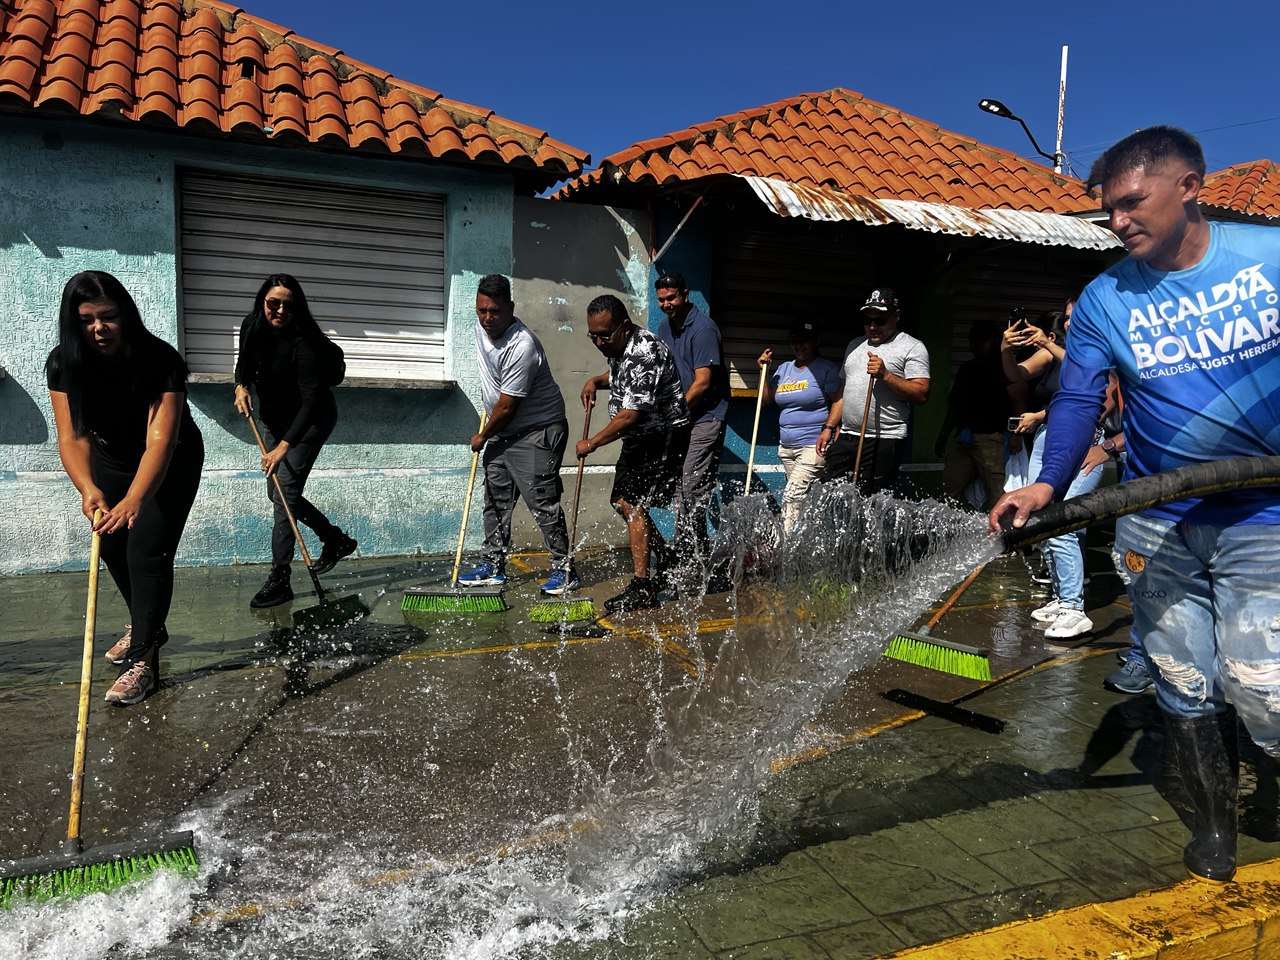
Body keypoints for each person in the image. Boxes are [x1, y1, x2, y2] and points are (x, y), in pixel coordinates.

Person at [991, 126, 1280, 883]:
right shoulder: (1103, 299)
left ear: (1189, 186)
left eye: (1130, 204)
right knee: (1183, 679)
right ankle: (1214, 829)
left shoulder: (1270, 259)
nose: (1117, 223)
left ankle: (1273, 777)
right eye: (1108, 210)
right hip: (1158, 519)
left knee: (1263, 686)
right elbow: (1080, 397)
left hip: (1265, 516)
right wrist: (1047, 483)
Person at [46, 271, 204, 705]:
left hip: (170, 459)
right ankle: (147, 621)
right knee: (113, 545)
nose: (99, 328)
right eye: (86, 320)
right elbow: (72, 437)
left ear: (126, 315)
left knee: (146, 551)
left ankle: (144, 661)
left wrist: (136, 499)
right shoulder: (64, 362)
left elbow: (161, 439)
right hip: (110, 458)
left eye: (109, 317)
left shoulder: (159, 359)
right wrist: (87, 488)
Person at [233, 274, 356, 609]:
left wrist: (283, 447)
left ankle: (280, 577)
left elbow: (313, 400)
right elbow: (243, 363)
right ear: (263, 302)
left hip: (310, 422)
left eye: (288, 304)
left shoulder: (305, 343)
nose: (280, 310)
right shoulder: (252, 325)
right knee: (278, 493)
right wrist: (240, 386)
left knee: (284, 493)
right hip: (274, 420)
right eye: (274, 303)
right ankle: (334, 538)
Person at [457, 274, 575, 595]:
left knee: (542, 500)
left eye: (494, 311)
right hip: (502, 427)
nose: (487, 318)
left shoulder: (522, 345)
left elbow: (508, 405)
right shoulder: (480, 331)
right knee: (494, 499)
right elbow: (494, 388)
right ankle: (493, 566)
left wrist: (482, 436)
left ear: (511, 307)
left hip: (537, 430)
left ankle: (565, 570)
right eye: (481, 310)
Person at [579, 295, 690, 613]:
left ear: (624, 327)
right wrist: (596, 381)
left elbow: (631, 413)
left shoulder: (645, 351)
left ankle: (643, 587)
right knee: (621, 501)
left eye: (604, 334)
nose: (599, 342)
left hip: (662, 434)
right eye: (593, 335)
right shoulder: (618, 346)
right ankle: (666, 557)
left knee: (632, 503)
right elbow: (620, 378)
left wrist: (593, 442)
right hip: (640, 436)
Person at [1004, 304, 1108, 641]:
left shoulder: (1100, 350)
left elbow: (1092, 394)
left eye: (1078, 315)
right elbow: (1016, 374)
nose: (1070, 321)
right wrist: (1006, 348)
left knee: (1062, 521)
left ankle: (1074, 609)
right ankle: (1061, 597)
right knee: (1043, 519)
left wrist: (1048, 345)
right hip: (1050, 439)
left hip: (1084, 439)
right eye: (1066, 317)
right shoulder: (1053, 353)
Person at [818, 288, 930, 493]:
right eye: (867, 321)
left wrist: (886, 375)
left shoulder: (913, 347)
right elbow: (844, 390)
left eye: (880, 321)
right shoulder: (855, 345)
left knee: (871, 498)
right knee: (829, 491)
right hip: (848, 435)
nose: (872, 326)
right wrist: (829, 426)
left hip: (885, 437)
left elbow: (921, 393)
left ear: (896, 316)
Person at [655, 273, 730, 567]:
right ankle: (695, 550)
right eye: (661, 300)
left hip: (706, 417)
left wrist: (673, 411)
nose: (666, 304)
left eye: (671, 298)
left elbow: (702, 382)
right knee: (681, 488)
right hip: (683, 418)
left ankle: (688, 554)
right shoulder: (664, 327)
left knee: (691, 483)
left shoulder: (703, 329)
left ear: (685, 295)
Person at [757, 320, 842, 531]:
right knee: (805, 503)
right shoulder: (784, 368)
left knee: (792, 496)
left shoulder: (826, 369)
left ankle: (786, 549)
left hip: (813, 446)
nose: (799, 346)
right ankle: (813, 543)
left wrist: (829, 427)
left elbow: (839, 401)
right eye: (795, 341)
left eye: (805, 341)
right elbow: (766, 399)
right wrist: (764, 372)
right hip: (787, 448)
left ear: (815, 342)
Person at [935, 318, 1011, 511]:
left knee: (997, 493)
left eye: (979, 341)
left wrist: (1014, 435)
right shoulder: (967, 369)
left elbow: (1014, 402)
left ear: (992, 341)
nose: (973, 346)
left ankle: (995, 533)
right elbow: (954, 405)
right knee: (949, 492)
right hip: (963, 438)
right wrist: (944, 435)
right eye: (972, 341)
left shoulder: (1006, 369)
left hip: (991, 438)